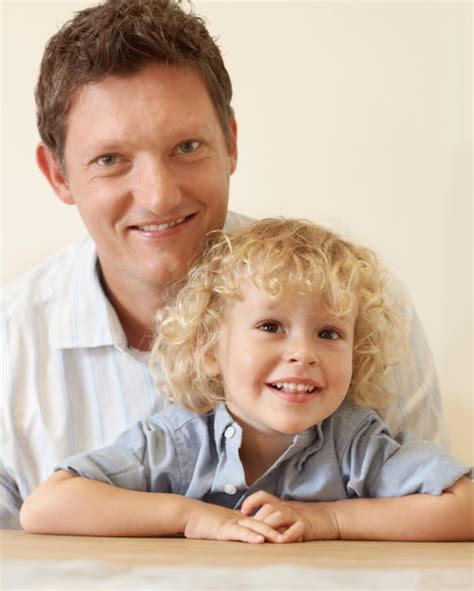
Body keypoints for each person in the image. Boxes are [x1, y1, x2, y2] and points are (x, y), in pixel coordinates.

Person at [1, 0, 448, 530]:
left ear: (230, 143)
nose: (160, 196)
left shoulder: (356, 301)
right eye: (110, 160)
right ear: (58, 176)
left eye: (187, 146)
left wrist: (326, 517)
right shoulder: (12, 342)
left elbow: (432, 541)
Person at [20, 219, 472, 541]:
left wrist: (330, 520)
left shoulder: (356, 443)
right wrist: (190, 517)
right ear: (210, 349)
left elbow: (466, 508)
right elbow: (45, 507)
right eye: (271, 327)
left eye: (329, 333)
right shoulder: (178, 443)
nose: (303, 353)